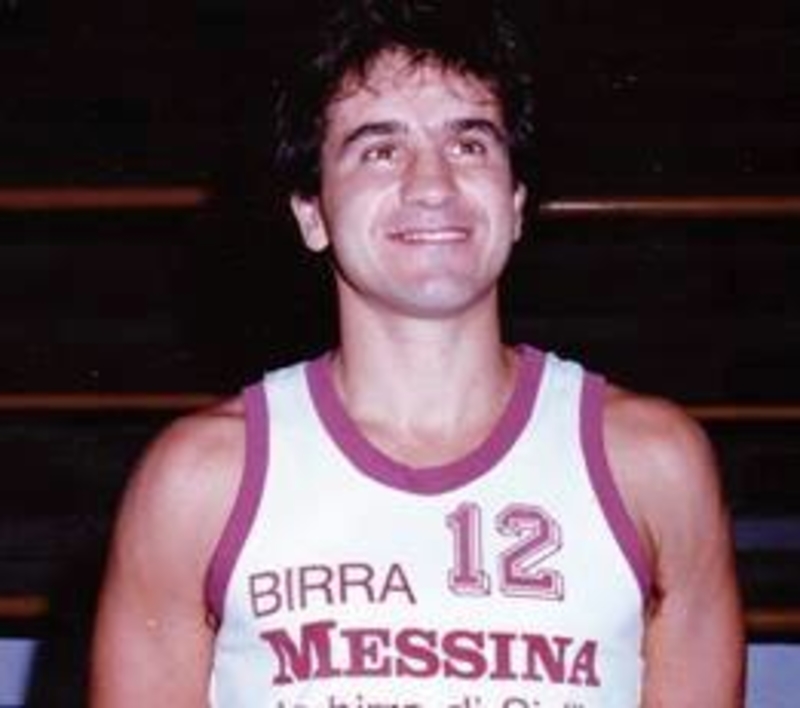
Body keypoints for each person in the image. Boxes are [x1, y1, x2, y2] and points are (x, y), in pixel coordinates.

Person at [90, 0, 745, 705]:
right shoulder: (199, 481)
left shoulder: (652, 466)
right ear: (311, 212)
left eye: (469, 145)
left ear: (516, 201)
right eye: (380, 150)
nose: (432, 186)